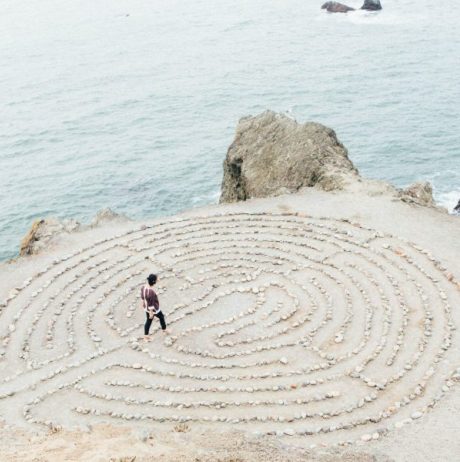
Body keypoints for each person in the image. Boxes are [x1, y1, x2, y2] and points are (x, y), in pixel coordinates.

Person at [141, 273, 167, 340]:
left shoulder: (143, 287)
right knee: (161, 317)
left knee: (149, 320)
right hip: (153, 309)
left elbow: (142, 297)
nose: (158, 279)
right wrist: (151, 312)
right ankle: (164, 330)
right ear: (153, 281)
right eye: (156, 279)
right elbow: (151, 304)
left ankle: (146, 336)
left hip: (146, 307)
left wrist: (143, 304)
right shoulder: (151, 292)